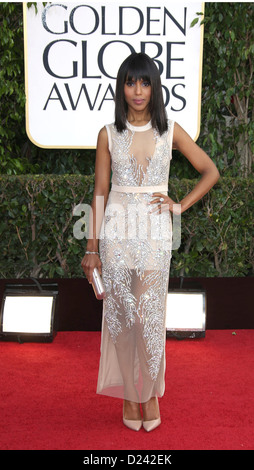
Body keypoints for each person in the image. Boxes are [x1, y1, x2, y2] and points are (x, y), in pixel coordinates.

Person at [81, 52, 219, 432]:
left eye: (144, 82)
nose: (138, 91)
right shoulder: (108, 133)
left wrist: (179, 205)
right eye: (130, 82)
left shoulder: (170, 130)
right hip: (117, 235)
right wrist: (92, 248)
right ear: (121, 87)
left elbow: (210, 171)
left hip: (156, 236)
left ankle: (151, 392)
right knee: (123, 318)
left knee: (148, 319)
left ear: (154, 87)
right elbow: (100, 190)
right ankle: (130, 393)